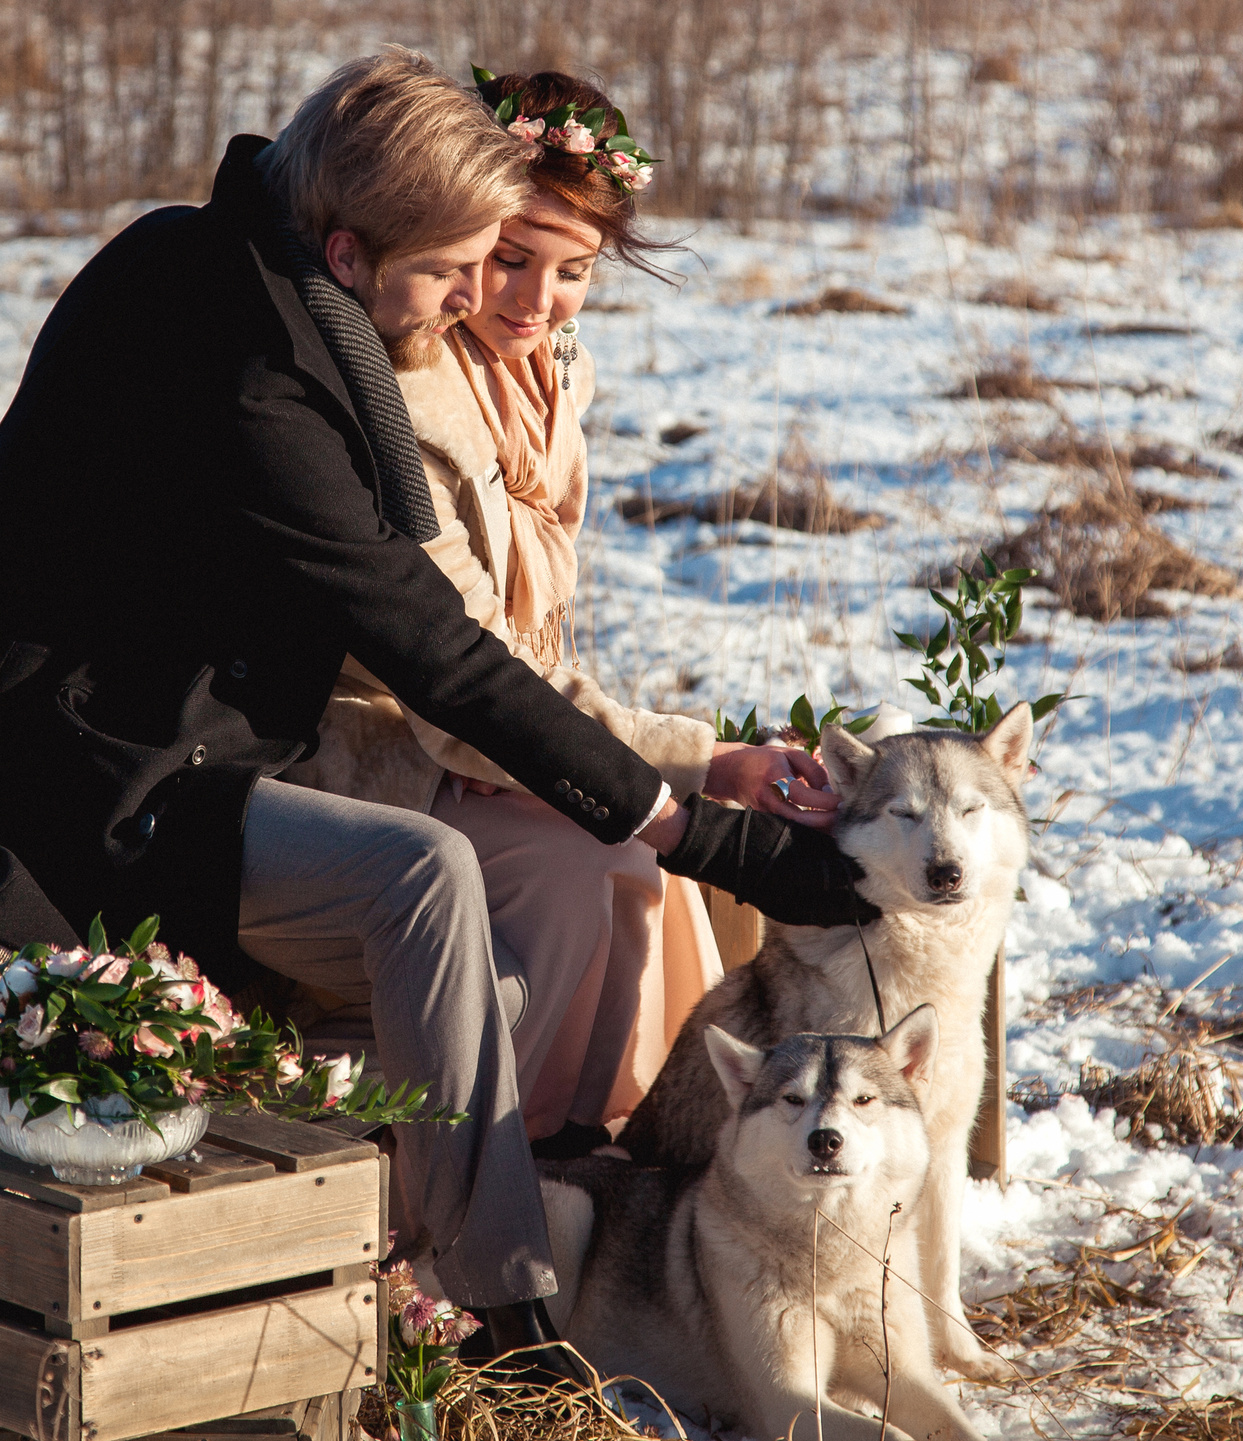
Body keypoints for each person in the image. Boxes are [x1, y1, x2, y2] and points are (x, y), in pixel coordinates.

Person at [0, 48, 870, 1380]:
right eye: (454, 269)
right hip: (75, 800)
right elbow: (437, 652)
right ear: (356, 251)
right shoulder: (254, 373)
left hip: (172, 755)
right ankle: (499, 1301)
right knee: (432, 869)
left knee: (473, 883)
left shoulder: (226, 270)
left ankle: (497, 1268)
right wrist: (696, 824)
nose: (478, 299)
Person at [285, 69, 835, 1159]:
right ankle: (479, 1168)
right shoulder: (406, 383)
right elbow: (454, 663)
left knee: (649, 866)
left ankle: (612, 1144)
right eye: (508, 257)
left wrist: (679, 761)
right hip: (377, 732)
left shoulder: (550, 370)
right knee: (604, 856)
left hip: (498, 714)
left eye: (574, 270)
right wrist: (689, 760)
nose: (535, 301)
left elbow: (523, 643)